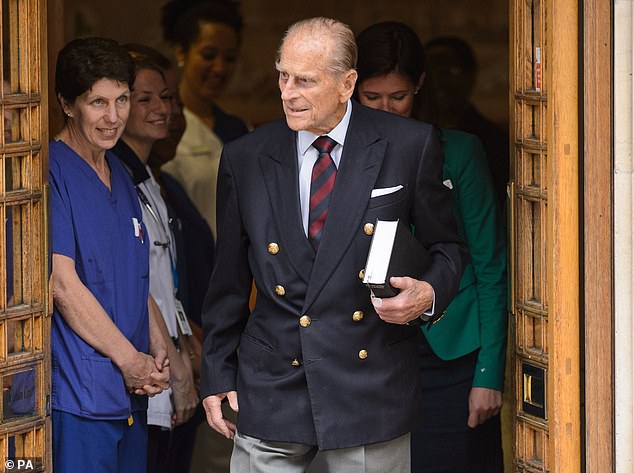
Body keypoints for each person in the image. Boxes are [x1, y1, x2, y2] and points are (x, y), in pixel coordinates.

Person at [200, 17, 468, 473]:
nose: (287, 92)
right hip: (272, 383)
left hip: (368, 384)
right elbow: (228, 278)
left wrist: (427, 294)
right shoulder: (246, 156)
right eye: (283, 75)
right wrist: (217, 373)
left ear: (347, 84)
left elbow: (449, 248)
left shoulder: (409, 144)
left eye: (305, 80)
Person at [355, 21, 508, 473]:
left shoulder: (461, 153)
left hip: (449, 354)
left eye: (398, 97)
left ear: (420, 86)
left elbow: (490, 266)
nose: (386, 109)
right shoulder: (341, 159)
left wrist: (488, 375)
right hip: (370, 352)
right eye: (372, 97)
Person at [49, 37, 170, 473]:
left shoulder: (119, 172)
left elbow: (138, 280)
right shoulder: (50, 171)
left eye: (121, 100)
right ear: (67, 103)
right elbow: (61, 284)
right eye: (98, 102)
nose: (113, 117)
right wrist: (130, 359)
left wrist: (158, 354)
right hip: (80, 394)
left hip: (131, 392)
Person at [111, 46, 199, 473]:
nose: (162, 108)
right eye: (144, 99)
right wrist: (177, 364)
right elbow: (138, 282)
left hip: (170, 349)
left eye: (165, 97)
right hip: (145, 360)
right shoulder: (112, 173)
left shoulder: (149, 176)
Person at [160, 0, 250, 238]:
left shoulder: (239, 130)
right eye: (208, 55)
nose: (219, 68)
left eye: (229, 58)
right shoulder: (161, 127)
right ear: (182, 52)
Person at [423, 36, 509, 207]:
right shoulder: (411, 136)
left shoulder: (493, 140)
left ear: (471, 76)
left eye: (452, 71)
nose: (441, 81)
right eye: (432, 71)